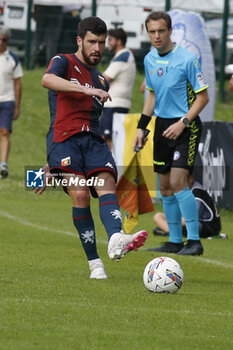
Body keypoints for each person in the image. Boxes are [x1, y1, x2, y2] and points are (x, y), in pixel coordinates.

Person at [41, 16, 147, 280]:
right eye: (91, 42)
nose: (97, 48)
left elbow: (93, 116)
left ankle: (116, 239)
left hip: (93, 141)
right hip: (65, 139)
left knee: (107, 183)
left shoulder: (102, 80)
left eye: (101, 42)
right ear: (80, 41)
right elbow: (47, 80)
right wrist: (85, 90)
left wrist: (92, 89)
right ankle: (95, 263)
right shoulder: (63, 61)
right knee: (80, 196)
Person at [133, 11, 209, 255]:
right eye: (152, 31)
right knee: (164, 187)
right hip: (162, 126)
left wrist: (183, 122)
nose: (156, 36)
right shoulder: (149, 60)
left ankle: (194, 242)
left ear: (170, 31)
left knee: (178, 182)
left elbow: (203, 97)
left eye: (161, 31)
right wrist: (142, 128)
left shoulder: (187, 59)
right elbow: (152, 95)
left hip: (186, 126)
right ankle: (174, 241)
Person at [151, 175, 223, 241]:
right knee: (158, 216)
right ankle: (172, 231)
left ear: (190, 179)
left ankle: (172, 231)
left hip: (208, 227)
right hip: (189, 222)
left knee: (189, 221)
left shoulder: (197, 192)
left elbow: (193, 216)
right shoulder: (182, 191)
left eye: (179, 180)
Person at [100, 28, 136, 150]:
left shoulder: (123, 57)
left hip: (114, 104)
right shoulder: (126, 55)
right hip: (119, 104)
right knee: (112, 140)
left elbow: (104, 79)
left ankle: (107, 167)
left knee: (107, 140)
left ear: (119, 41)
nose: (108, 42)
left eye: (110, 39)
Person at [0, 26, 23, 179]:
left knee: (5, 132)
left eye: (4, 40)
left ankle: (3, 164)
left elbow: (17, 83)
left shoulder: (13, 58)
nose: (1, 42)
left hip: (7, 100)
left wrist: (17, 106)